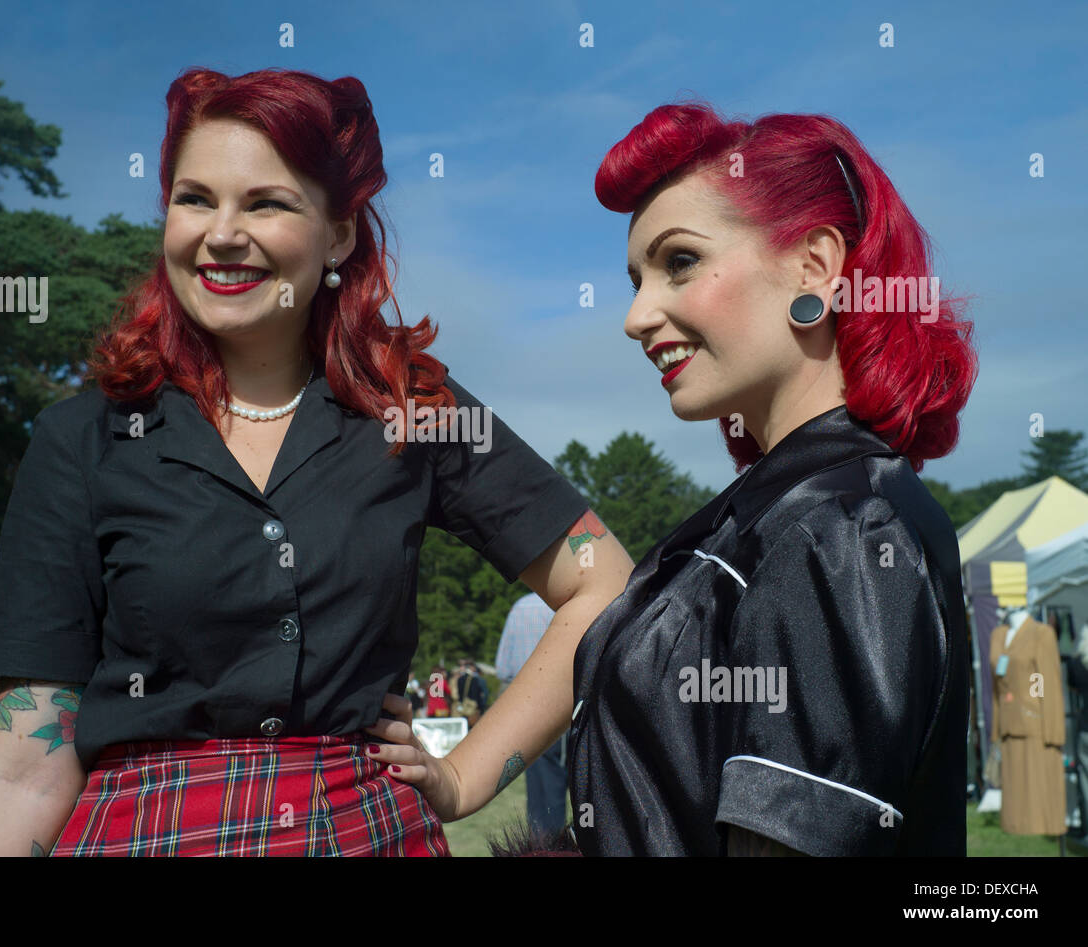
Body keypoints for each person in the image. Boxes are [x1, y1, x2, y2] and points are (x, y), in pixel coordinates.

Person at [0, 67, 634, 857]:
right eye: (194, 198)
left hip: (367, 834)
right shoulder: (81, 439)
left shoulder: (415, 407)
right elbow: (23, 766)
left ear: (338, 233)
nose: (222, 232)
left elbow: (603, 579)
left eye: (265, 203)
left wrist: (465, 776)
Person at [370, 102, 977, 856]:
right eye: (634, 279)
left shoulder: (845, 528)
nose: (635, 315)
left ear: (814, 268)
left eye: (679, 262)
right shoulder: (774, 511)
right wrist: (464, 783)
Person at [496, 592, 567, 836]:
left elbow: (504, 668)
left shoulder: (521, 607)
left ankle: (547, 845)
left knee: (542, 789)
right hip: (573, 701)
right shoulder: (570, 604)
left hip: (531, 711)